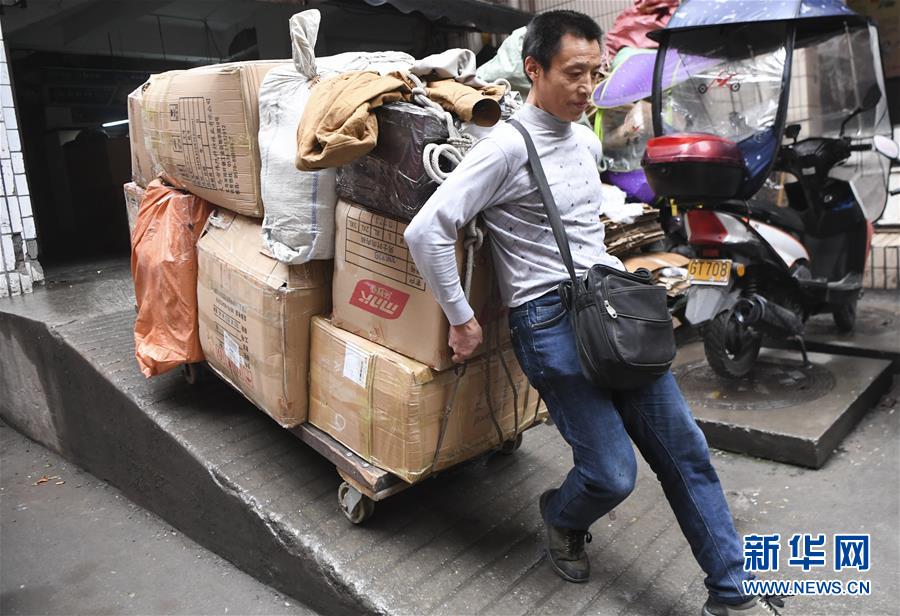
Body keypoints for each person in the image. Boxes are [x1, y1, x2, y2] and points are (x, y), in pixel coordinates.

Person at [404, 10, 784, 616]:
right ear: (534, 69)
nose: (587, 87)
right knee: (611, 474)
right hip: (548, 323)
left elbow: (585, 227)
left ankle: (731, 591)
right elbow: (426, 230)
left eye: (595, 72)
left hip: (610, 308)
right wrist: (460, 316)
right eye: (573, 73)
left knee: (685, 450)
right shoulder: (504, 148)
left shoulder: (583, 138)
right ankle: (561, 514)